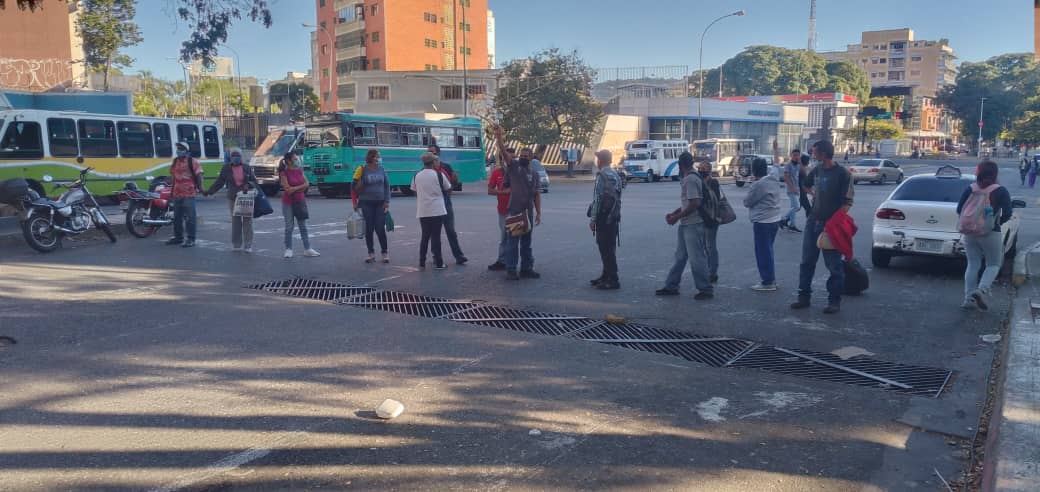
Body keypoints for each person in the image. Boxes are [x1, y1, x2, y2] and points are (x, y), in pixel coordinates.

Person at [791, 140, 854, 314]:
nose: (812, 154)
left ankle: (834, 301)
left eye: (815, 151)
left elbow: (847, 203)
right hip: (813, 221)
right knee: (807, 262)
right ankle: (803, 297)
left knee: (834, 265)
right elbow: (805, 184)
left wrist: (832, 224)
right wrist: (813, 193)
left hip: (831, 226)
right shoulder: (817, 170)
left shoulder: (843, 174)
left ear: (824, 153)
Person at [656, 152, 713, 300]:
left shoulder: (690, 179)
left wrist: (676, 217)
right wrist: (675, 213)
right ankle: (671, 285)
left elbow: (695, 203)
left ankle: (705, 289)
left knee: (696, 258)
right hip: (687, 223)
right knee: (680, 257)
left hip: (693, 224)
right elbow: (689, 203)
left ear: (680, 165)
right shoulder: (693, 177)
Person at [957, 161, 1012, 311]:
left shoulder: (970, 189)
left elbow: (959, 209)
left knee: (973, 264)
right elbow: (1008, 213)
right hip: (990, 232)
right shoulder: (1001, 191)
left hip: (969, 232)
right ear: (995, 174)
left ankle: (968, 299)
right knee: (993, 264)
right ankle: (981, 290)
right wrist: (996, 221)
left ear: (978, 172)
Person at [492, 126, 542, 280]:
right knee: (513, 242)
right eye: (522, 155)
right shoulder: (514, 167)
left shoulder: (534, 174)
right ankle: (511, 269)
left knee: (527, 242)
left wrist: (539, 212)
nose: (523, 157)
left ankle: (526, 268)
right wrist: (499, 137)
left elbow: (537, 194)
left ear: (531, 158)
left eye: (526, 155)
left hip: (528, 212)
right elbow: (504, 152)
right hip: (515, 211)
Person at [204, 147, 256, 252]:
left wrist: (248, 185)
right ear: (230, 157)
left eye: (238, 155)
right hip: (233, 198)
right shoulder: (226, 168)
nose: (236, 157)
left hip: (246, 197)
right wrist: (209, 191)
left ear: (241, 157)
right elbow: (219, 182)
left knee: (247, 221)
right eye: (234, 155)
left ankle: (248, 245)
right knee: (236, 221)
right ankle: (236, 244)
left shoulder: (246, 167)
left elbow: (254, 181)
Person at [743, 157, 783, 291]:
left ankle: (768, 281)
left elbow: (747, 202)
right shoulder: (773, 177)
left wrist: (751, 185)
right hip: (775, 218)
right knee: (768, 250)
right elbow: (777, 166)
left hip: (762, 221)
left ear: (754, 170)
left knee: (763, 252)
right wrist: (776, 150)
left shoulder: (758, 185)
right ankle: (771, 278)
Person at [411, 152, 452, 269]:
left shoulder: (417, 175)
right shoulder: (439, 175)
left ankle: (422, 261)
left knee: (425, 236)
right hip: (437, 210)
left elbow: (414, 191)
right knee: (436, 237)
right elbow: (448, 188)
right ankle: (439, 263)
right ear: (433, 162)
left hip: (423, 210)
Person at [589, 149, 623, 290]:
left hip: (603, 216)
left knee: (604, 248)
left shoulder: (601, 176)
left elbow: (597, 199)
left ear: (600, 161)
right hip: (614, 216)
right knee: (610, 247)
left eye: (598, 159)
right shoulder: (616, 175)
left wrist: (593, 219)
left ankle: (613, 279)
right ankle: (606, 275)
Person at [428, 144, 468, 264]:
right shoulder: (426, 169)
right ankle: (436, 257)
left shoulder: (446, 167)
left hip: (445, 202)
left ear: (438, 154)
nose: (431, 155)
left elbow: (452, 184)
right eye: (429, 152)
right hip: (433, 204)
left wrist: (455, 181)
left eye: (433, 152)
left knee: (450, 230)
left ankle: (459, 256)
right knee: (435, 232)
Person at [352, 149, 390, 263]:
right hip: (365, 203)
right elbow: (352, 186)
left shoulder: (382, 169)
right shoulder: (361, 169)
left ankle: (384, 252)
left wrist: (387, 201)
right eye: (379, 156)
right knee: (369, 229)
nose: (380, 158)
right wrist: (354, 202)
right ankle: (371, 253)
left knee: (380, 228)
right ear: (373, 157)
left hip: (380, 203)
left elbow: (387, 186)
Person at [279, 152, 319, 259]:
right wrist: (299, 188)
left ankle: (307, 248)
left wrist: (295, 188)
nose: (297, 160)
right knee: (289, 227)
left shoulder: (299, 171)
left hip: (300, 201)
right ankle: (288, 249)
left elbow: (307, 184)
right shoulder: (284, 173)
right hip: (288, 202)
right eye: (295, 158)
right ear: (288, 161)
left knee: (303, 226)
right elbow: (287, 190)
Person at [165, 141, 203, 248]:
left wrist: (200, 187)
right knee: (177, 217)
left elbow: (199, 174)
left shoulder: (193, 161)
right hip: (177, 193)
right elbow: (173, 178)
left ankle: (191, 239)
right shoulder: (175, 161)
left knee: (190, 218)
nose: (178, 150)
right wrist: (171, 192)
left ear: (186, 151)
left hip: (189, 194)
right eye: (178, 148)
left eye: (181, 148)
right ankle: (178, 237)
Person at [486, 148, 513, 271]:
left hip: (516, 210)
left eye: (512, 158)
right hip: (502, 210)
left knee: (515, 237)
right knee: (504, 237)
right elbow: (490, 190)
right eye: (507, 158)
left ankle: (512, 261)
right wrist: (502, 192)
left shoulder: (518, 172)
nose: (509, 161)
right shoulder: (497, 173)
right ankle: (502, 261)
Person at [696, 158, 721, 284]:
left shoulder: (713, 183)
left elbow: (715, 199)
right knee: (704, 246)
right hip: (701, 218)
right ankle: (708, 269)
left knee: (710, 246)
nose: (701, 171)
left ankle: (713, 272)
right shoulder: (698, 182)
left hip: (711, 218)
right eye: (699, 168)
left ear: (709, 170)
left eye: (703, 169)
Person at [774, 142, 803, 233]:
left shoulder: (798, 165)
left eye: (797, 155)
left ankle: (792, 225)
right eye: (794, 155)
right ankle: (783, 219)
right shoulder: (788, 165)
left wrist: (800, 163)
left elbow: (803, 173)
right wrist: (793, 188)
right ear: (791, 155)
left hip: (797, 188)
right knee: (797, 206)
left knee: (793, 208)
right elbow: (786, 177)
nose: (796, 157)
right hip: (791, 189)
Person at [798, 154, 813, 220]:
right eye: (808, 160)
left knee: (797, 207)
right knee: (809, 209)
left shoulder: (802, 168)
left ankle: (785, 220)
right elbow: (803, 181)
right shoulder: (802, 169)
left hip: (802, 192)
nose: (809, 162)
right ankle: (810, 224)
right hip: (802, 193)